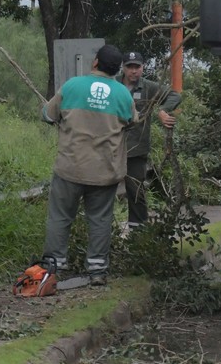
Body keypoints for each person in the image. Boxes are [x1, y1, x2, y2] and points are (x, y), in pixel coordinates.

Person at [40, 44, 137, 285]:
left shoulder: (72, 85)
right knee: (100, 220)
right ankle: (97, 271)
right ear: (118, 70)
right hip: (104, 172)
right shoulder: (123, 94)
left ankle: (53, 267)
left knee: (60, 217)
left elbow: (48, 115)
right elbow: (131, 121)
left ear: (95, 63)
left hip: (70, 168)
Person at [116, 51, 182, 229]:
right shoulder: (113, 85)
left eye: (137, 67)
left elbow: (174, 95)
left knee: (136, 192)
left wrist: (163, 110)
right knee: (102, 189)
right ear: (123, 67)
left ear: (143, 67)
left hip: (136, 149)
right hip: (111, 147)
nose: (133, 71)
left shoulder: (148, 87)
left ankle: (138, 234)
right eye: (130, 67)